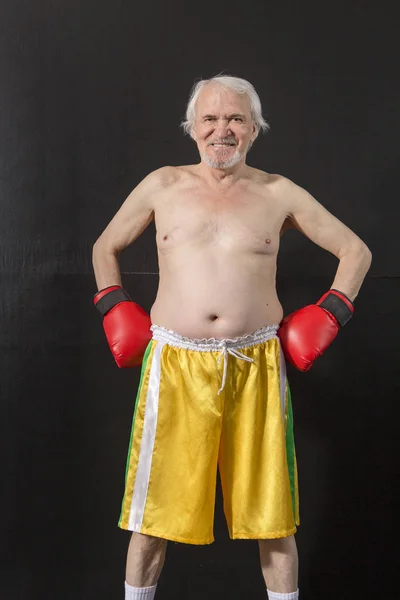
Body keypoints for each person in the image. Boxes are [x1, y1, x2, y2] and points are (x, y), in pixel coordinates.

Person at [92, 74, 372, 600]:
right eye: (211, 119)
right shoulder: (162, 185)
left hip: (257, 365)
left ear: (254, 129)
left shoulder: (278, 192)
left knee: (275, 519)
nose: (223, 130)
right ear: (192, 129)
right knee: (152, 517)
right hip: (175, 364)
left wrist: (331, 313)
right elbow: (104, 247)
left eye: (236, 119)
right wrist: (113, 306)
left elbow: (355, 251)